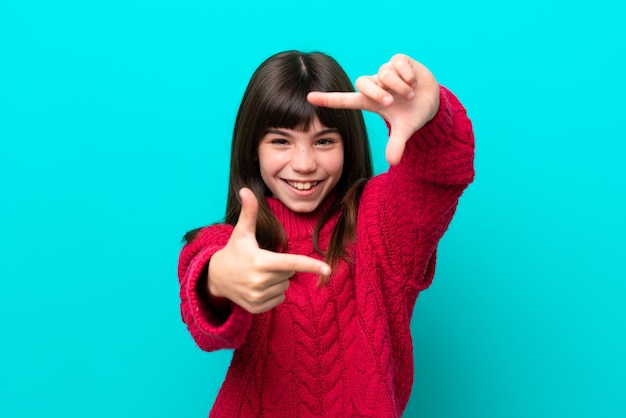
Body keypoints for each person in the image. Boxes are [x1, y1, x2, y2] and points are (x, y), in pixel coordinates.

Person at [178, 50, 475, 417]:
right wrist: (218, 279)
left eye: (324, 141)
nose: (304, 164)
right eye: (280, 141)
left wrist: (432, 118)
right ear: (252, 150)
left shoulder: (380, 223)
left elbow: (438, 177)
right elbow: (205, 274)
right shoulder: (233, 240)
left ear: (347, 145)